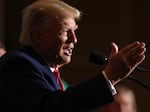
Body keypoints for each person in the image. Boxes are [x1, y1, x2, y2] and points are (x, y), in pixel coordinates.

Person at [0, 0, 146, 112]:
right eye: (65, 31)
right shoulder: (18, 64)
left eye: (74, 31)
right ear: (37, 36)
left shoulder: (46, 69)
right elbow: (54, 108)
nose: (74, 39)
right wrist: (110, 77)